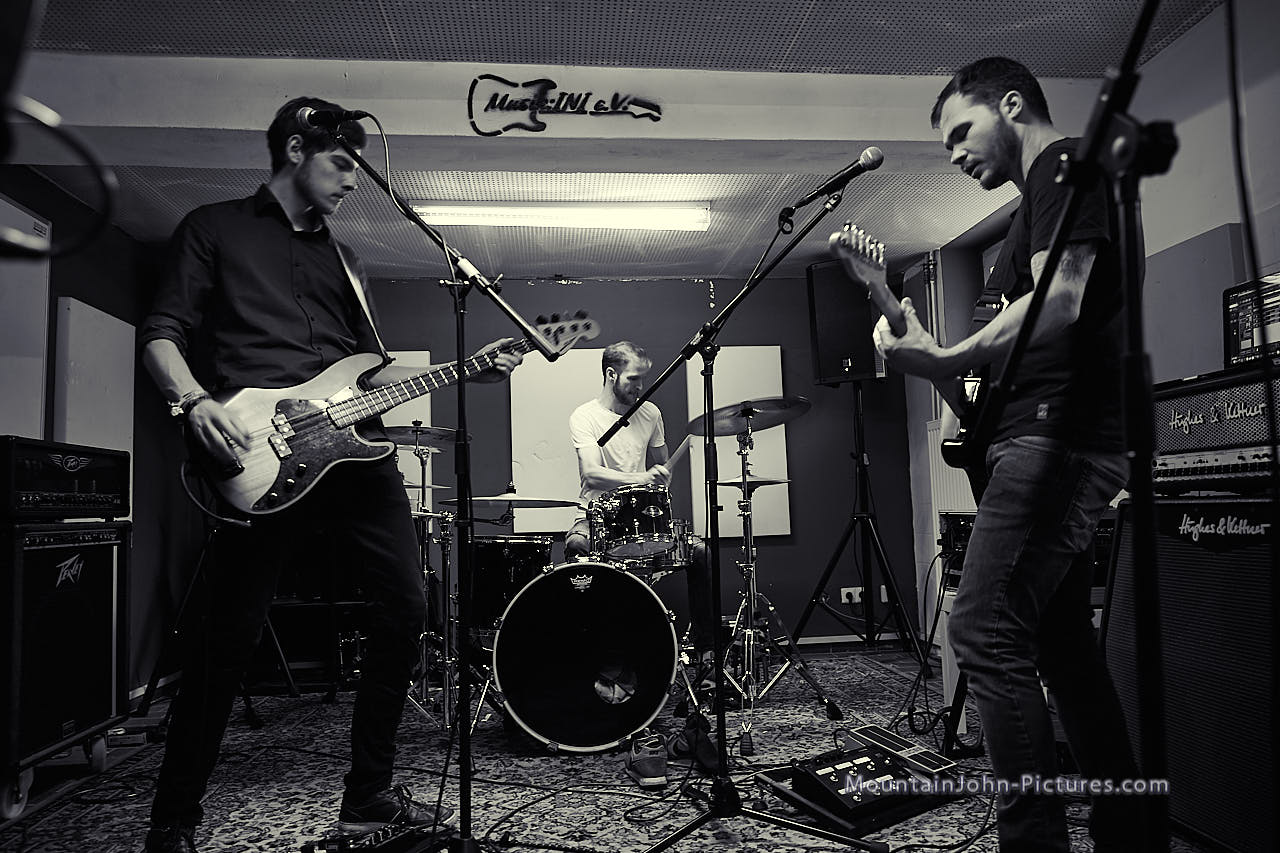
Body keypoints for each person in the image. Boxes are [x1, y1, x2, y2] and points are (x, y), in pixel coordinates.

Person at [137, 96, 523, 853]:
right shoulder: (213, 228)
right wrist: (192, 401)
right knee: (227, 637)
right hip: (257, 450)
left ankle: (369, 794)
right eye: (342, 164)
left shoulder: (347, 261)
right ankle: (172, 820)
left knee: (406, 606)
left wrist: (469, 368)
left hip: (351, 451)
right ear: (295, 150)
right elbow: (161, 333)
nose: (353, 181)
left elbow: (364, 374)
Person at [872, 58, 1144, 852]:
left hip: (1059, 440)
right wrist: (933, 359)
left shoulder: (1063, 165)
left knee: (984, 633)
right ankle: (1128, 830)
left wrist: (946, 356)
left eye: (962, 131)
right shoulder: (1034, 206)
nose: (955, 153)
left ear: (1012, 105)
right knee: (1064, 650)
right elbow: (998, 371)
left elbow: (1061, 300)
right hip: (1039, 436)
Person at [564, 342, 719, 784]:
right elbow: (591, 473)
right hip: (596, 514)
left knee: (701, 552)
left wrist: (659, 479)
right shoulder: (585, 416)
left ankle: (707, 661)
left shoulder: (650, 413)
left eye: (643, 378)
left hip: (642, 517)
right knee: (576, 548)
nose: (640, 386)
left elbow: (660, 470)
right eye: (633, 378)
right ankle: (599, 663)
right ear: (611, 374)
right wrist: (640, 476)